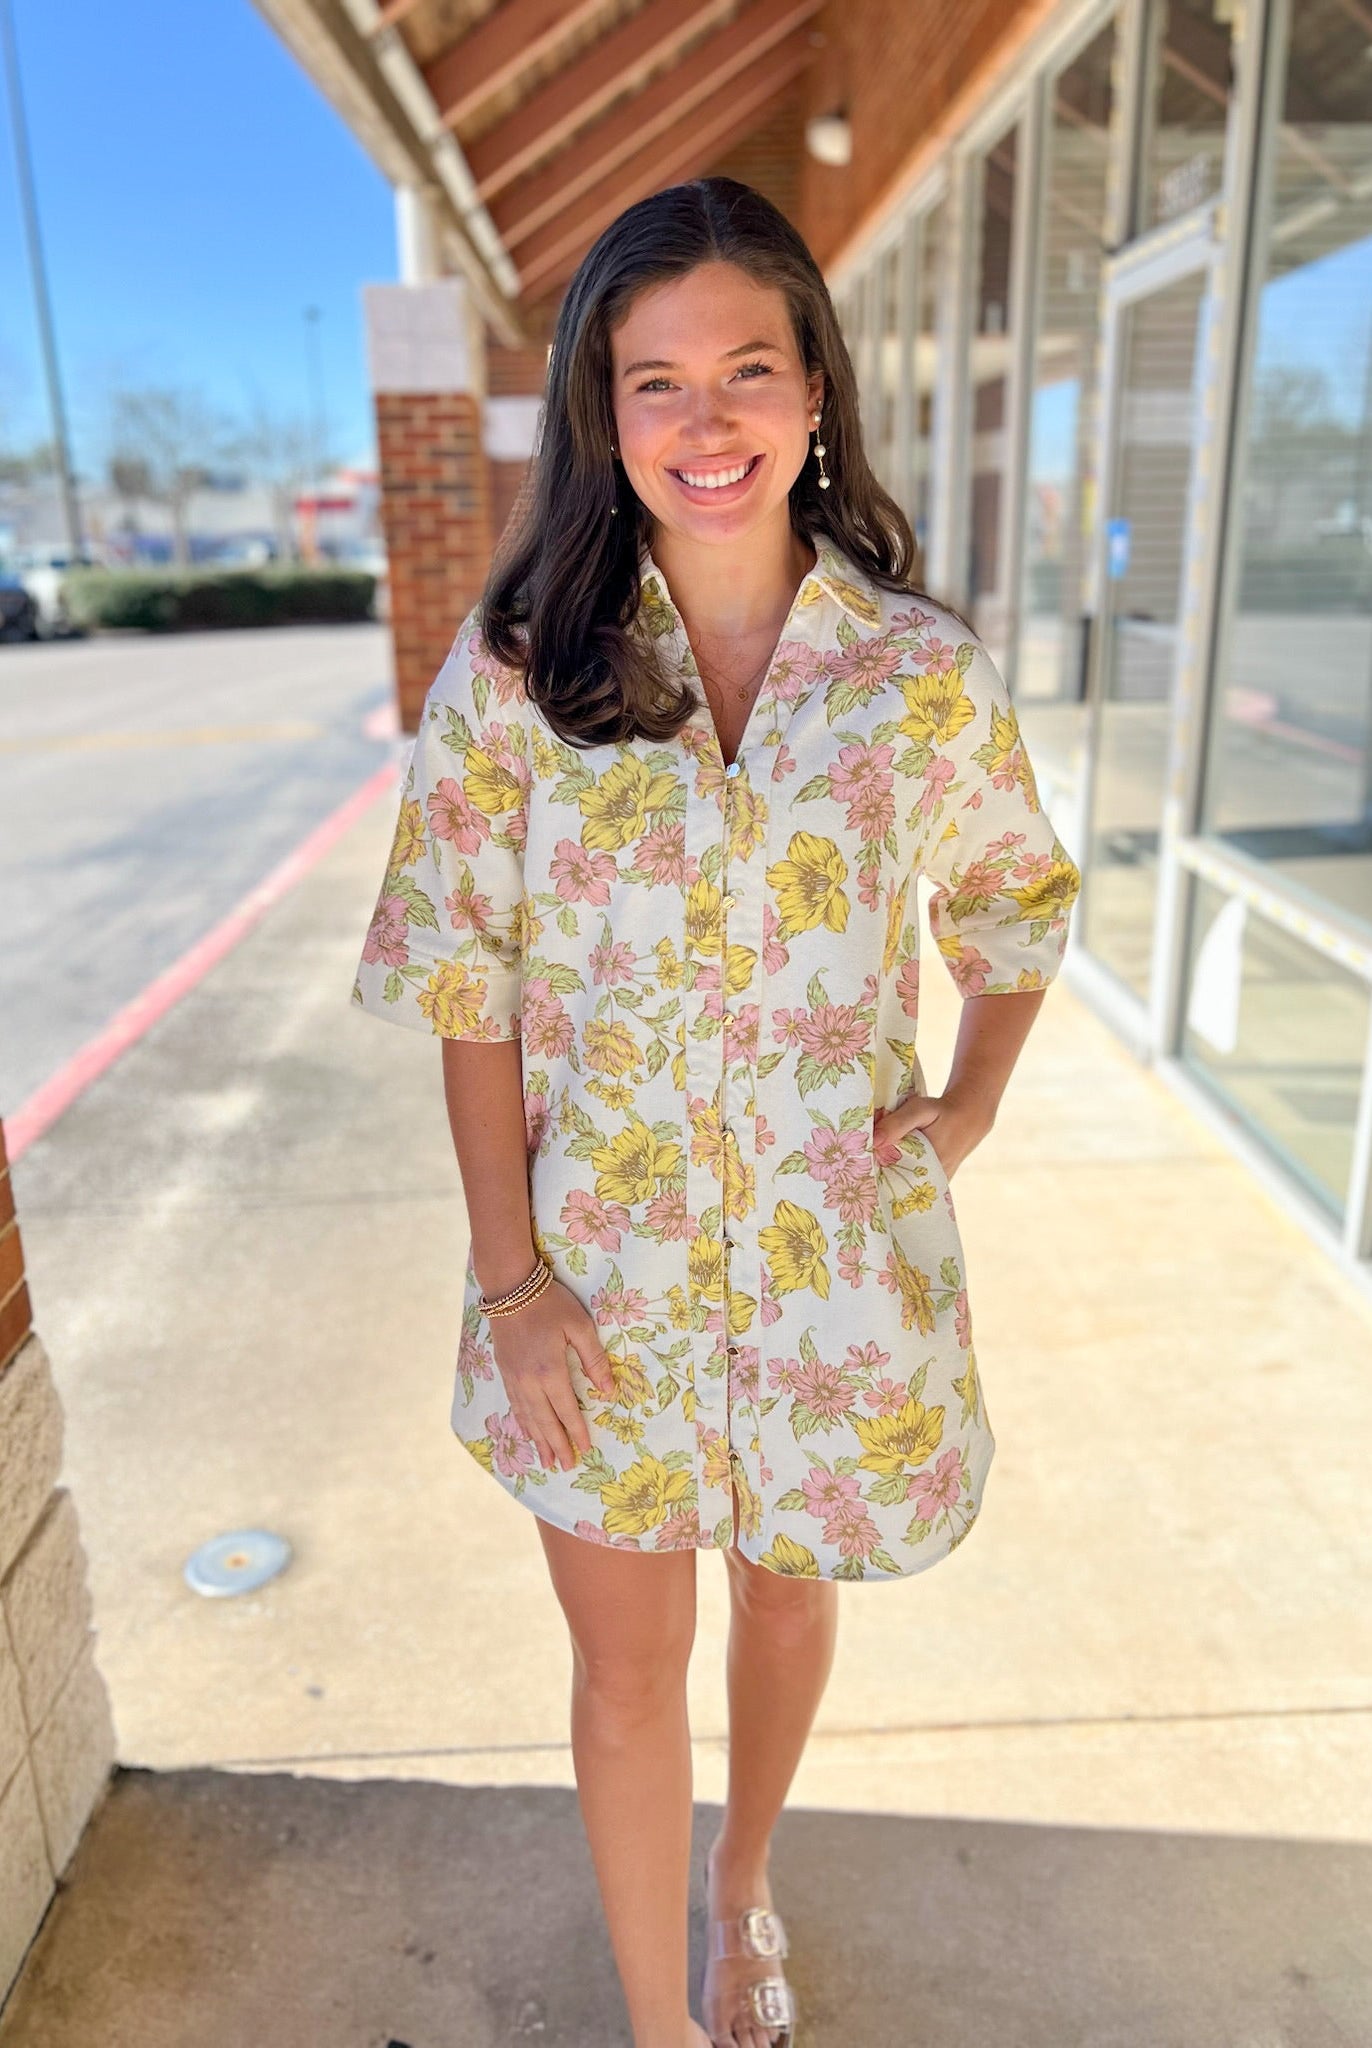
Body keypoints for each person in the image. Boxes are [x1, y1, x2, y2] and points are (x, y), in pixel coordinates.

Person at [351, 176, 1082, 2048]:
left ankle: (740, 1886)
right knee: (623, 1669)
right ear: (602, 416)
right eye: (655, 380)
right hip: (593, 1287)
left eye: (747, 369)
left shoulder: (914, 679)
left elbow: (1015, 907)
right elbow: (467, 988)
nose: (707, 420)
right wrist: (513, 1289)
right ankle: (656, 2026)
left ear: (815, 390)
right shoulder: (518, 679)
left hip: (836, 1290)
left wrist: (971, 1107)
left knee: (781, 1607)